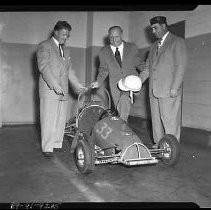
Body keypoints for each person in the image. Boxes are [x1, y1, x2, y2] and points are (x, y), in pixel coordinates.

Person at [36, 20, 85, 158]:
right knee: (49, 119)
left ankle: (56, 144)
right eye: (63, 34)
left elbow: (69, 71)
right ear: (55, 32)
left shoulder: (66, 50)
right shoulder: (44, 46)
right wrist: (54, 84)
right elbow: (44, 67)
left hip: (63, 90)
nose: (65, 37)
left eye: (67, 35)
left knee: (60, 119)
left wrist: (77, 85)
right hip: (50, 89)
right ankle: (47, 148)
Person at [139, 16, 187, 148]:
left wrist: (175, 88)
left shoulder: (177, 42)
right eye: (152, 29)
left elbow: (180, 66)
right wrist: (137, 82)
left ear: (164, 26)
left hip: (169, 89)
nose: (153, 31)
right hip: (153, 90)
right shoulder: (153, 46)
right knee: (156, 121)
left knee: (170, 120)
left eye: (155, 28)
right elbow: (148, 69)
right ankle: (159, 144)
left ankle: (172, 147)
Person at [91, 26, 143, 123]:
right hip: (115, 85)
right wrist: (98, 82)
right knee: (120, 110)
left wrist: (145, 76)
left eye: (117, 37)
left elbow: (140, 64)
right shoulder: (104, 52)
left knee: (124, 103)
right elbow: (103, 70)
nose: (114, 40)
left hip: (130, 83)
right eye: (111, 37)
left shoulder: (132, 47)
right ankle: (122, 126)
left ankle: (122, 128)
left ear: (121, 34)